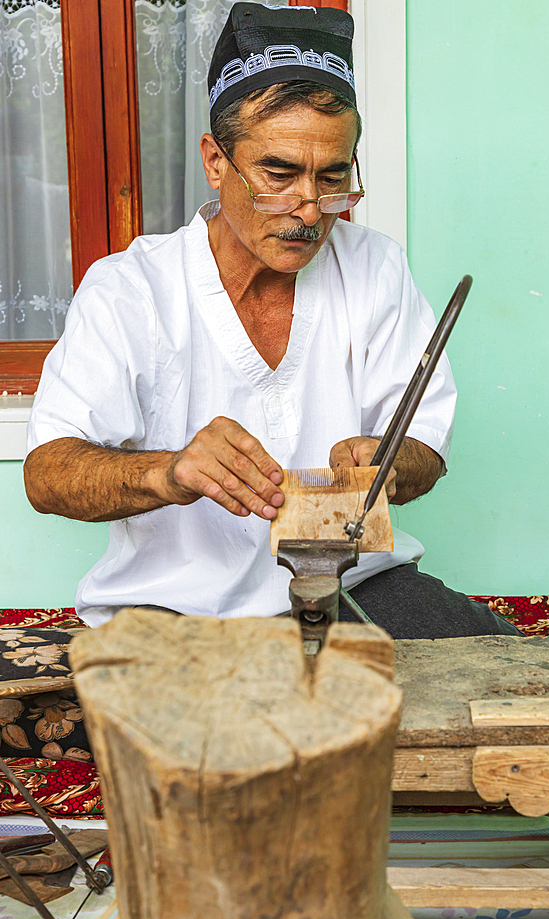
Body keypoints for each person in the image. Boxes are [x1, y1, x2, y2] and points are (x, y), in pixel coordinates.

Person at [24, 2, 520, 640]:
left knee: (505, 682)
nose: (310, 210)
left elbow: (423, 447)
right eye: (278, 175)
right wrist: (168, 471)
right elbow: (48, 472)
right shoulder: (131, 289)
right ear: (215, 161)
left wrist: (392, 463)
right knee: (208, 734)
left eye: (333, 178)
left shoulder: (375, 268)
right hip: (174, 610)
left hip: (353, 585)